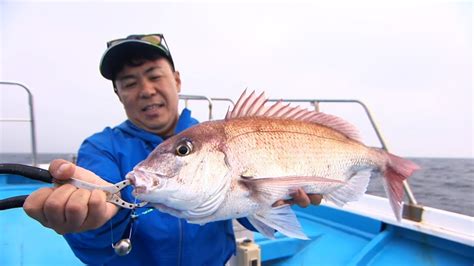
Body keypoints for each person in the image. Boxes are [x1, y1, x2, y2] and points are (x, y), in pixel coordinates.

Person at [23, 33, 322, 265]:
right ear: (119, 95)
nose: (146, 90)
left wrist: (274, 200)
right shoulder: (102, 149)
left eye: (155, 76)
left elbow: (239, 208)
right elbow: (96, 249)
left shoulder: (219, 138)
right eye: (129, 83)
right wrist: (95, 222)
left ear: (177, 81)